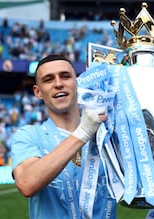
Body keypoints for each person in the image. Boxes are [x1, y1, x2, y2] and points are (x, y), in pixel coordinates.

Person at [11, 54, 116, 218]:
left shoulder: (106, 132)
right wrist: (84, 132)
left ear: (77, 83)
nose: (58, 84)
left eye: (65, 76)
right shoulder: (29, 135)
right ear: (38, 92)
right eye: (48, 80)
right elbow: (26, 183)